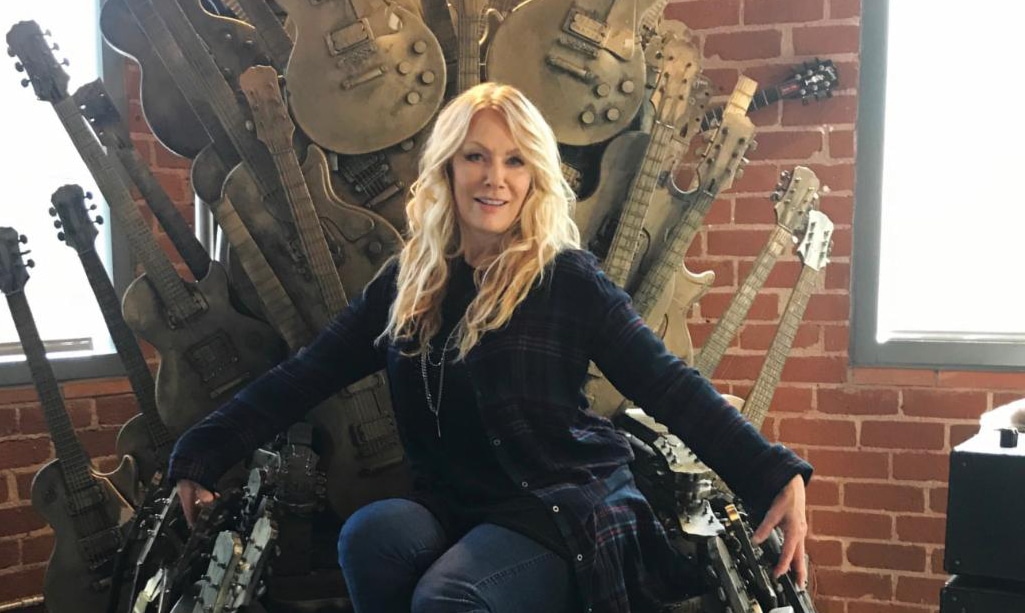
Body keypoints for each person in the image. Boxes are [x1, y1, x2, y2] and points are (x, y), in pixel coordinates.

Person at [168, 82, 812, 613]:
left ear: (535, 176)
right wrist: (202, 451)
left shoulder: (566, 279)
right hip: (455, 504)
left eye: (515, 161)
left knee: (450, 597)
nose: (494, 179)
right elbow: (305, 375)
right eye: (476, 156)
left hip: (558, 504)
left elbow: (668, 383)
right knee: (371, 536)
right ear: (448, 168)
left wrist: (770, 471)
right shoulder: (409, 283)